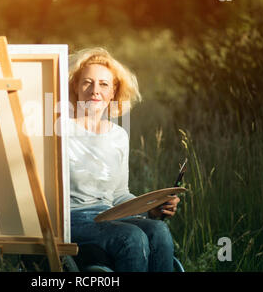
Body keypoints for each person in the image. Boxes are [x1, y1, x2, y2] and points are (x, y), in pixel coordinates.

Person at [67, 47, 181, 272]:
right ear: (75, 87)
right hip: (71, 220)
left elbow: (119, 195)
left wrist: (152, 208)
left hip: (107, 217)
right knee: (132, 237)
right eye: (87, 83)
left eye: (104, 84)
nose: (94, 91)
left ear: (113, 92)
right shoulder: (59, 131)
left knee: (159, 231)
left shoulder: (118, 135)